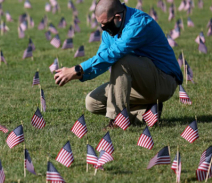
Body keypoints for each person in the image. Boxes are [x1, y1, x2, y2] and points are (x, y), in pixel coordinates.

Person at [54, 0, 182, 128]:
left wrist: (77, 69)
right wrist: (78, 74)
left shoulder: (137, 23)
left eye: (105, 24)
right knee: (92, 102)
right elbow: (101, 60)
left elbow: (113, 54)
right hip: (141, 84)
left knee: (121, 61)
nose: (103, 28)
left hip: (163, 80)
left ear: (118, 18)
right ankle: (146, 111)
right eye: (100, 24)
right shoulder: (111, 30)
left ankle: (118, 120)